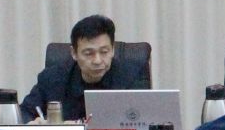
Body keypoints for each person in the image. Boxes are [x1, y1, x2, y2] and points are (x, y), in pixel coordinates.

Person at [20, 15, 149, 122]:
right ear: (74, 53)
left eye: (104, 52)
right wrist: (35, 123)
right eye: (88, 53)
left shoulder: (132, 76)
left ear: (113, 50)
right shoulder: (52, 78)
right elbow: (24, 113)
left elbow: (146, 120)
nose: (97, 60)